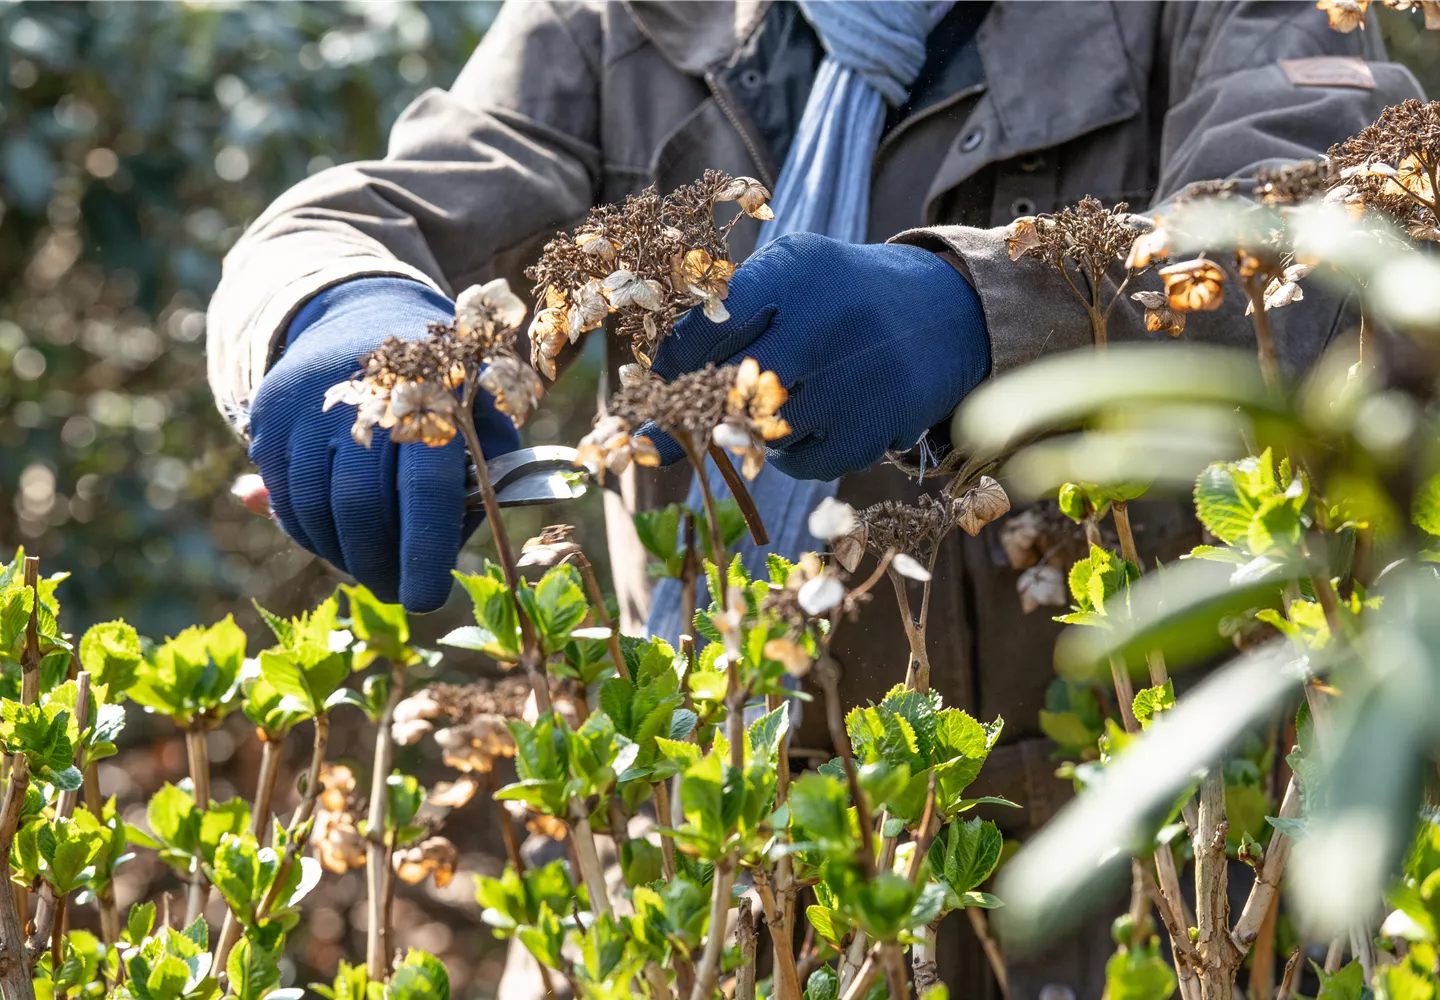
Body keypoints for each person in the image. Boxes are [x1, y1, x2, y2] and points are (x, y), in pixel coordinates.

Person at [207, 1, 1422, 994]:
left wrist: (984, 310)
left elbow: (1345, 239)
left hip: (1140, 895)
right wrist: (336, 315)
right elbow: (356, 217)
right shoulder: (624, 25)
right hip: (698, 869)